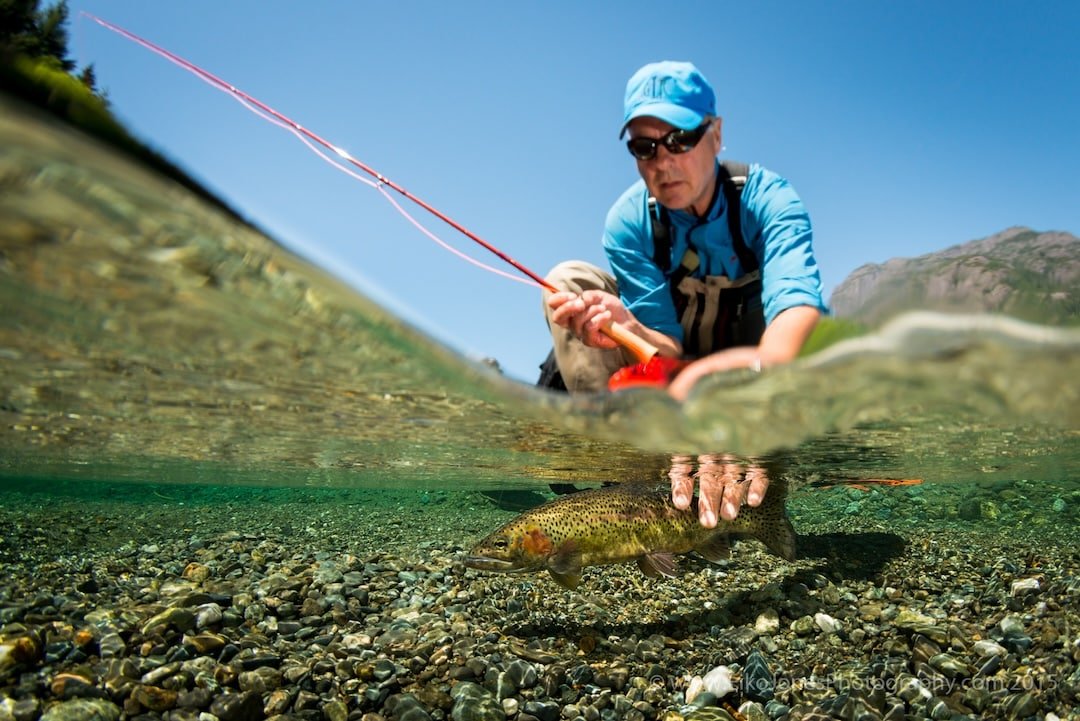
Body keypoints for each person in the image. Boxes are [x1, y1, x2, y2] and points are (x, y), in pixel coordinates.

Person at [541, 60, 827, 527]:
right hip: (678, 364)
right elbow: (666, 348)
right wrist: (629, 327)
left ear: (716, 134)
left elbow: (797, 307)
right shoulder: (628, 223)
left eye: (680, 139)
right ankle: (630, 479)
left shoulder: (770, 201)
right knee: (568, 279)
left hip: (755, 361)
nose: (663, 162)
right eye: (645, 147)